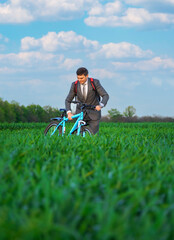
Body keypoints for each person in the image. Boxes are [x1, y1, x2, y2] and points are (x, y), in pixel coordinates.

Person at [65, 67, 109, 135]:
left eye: (81, 78)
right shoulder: (75, 85)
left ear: (87, 76)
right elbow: (68, 100)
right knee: (77, 136)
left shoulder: (94, 82)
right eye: (78, 78)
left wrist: (101, 105)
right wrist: (69, 112)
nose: (79, 80)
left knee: (93, 137)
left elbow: (105, 95)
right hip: (80, 113)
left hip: (94, 113)